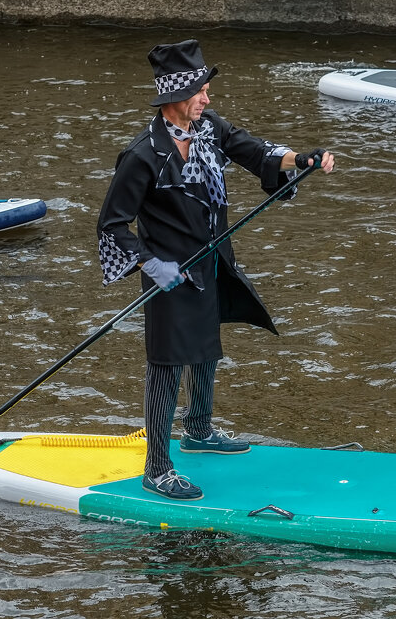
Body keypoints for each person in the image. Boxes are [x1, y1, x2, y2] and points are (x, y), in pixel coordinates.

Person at [96, 39, 335, 501]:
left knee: (206, 346)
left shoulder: (209, 129)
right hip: (168, 274)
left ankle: (199, 430)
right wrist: (150, 263)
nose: (207, 99)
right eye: (200, 92)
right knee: (167, 365)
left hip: (211, 262)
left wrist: (302, 158)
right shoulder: (141, 155)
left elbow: (255, 151)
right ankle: (157, 468)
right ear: (176, 98)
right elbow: (111, 225)